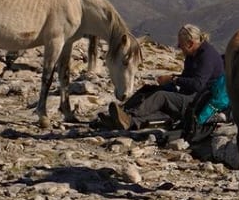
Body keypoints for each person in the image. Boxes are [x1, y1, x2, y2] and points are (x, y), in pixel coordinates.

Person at [95, 23, 224, 131]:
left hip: (197, 100)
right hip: (188, 93)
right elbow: (187, 78)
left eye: (181, 45)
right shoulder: (192, 55)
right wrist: (170, 82)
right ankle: (120, 115)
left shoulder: (206, 57)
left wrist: (173, 79)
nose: (179, 48)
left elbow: (198, 84)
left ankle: (129, 116)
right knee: (149, 90)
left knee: (161, 96)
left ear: (190, 43)